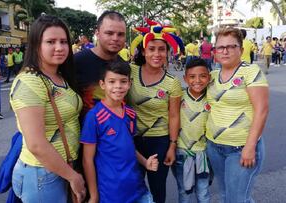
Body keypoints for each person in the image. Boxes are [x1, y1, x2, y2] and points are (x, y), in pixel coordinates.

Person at [10, 15, 86, 202]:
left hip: (61, 167)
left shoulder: (59, 76)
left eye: (63, 42)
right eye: (50, 42)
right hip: (41, 174)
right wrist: (72, 176)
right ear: (37, 45)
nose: (59, 48)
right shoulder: (29, 81)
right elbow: (36, 144)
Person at [206, 27, 269, 203]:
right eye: (220, 47)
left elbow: (261, 110)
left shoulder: (251, 72)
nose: (225, 51)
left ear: (241, 50)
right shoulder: (211, 76)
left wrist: (249, 147)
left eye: (231, 46)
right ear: (215, 51)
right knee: (226, 195)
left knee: (238, 198)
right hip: (214, 146)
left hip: (240, 148)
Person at [81, 60, 158, 203]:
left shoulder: (130, 113)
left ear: (129, 83)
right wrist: (94, 195)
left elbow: (128, 146)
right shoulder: (94, 116)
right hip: (111, 194)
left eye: (123, 81)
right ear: (102, 84)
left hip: (138, 189)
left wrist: (145, 162)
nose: (118, 86)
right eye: (112, 82)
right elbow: (87, 160)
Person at [128, 19, 182, 203]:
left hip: (159, 141)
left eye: (162, 49)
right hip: (132, 141)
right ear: (143, 51)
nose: (157, 54)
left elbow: (174, 115)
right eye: (151, 49)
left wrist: (172, 145)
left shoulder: (172, 82)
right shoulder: (130, 72)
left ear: (167, 52)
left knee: (158, 189)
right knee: (133, 187)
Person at [172, 58, 211, 203]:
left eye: (203, 76)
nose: (197, 80)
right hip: (182, 153)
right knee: (184, 192)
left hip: (204, 155)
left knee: (203, 193)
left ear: (209, 77)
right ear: (185, 78)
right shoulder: (179, 97)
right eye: (192, 77)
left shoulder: (212, 98)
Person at [74, 11, 126, 118]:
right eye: (109, 33)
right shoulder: (77, 61)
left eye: (120, 34)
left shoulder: (124, 66)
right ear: (97, 33)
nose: (115, 38)